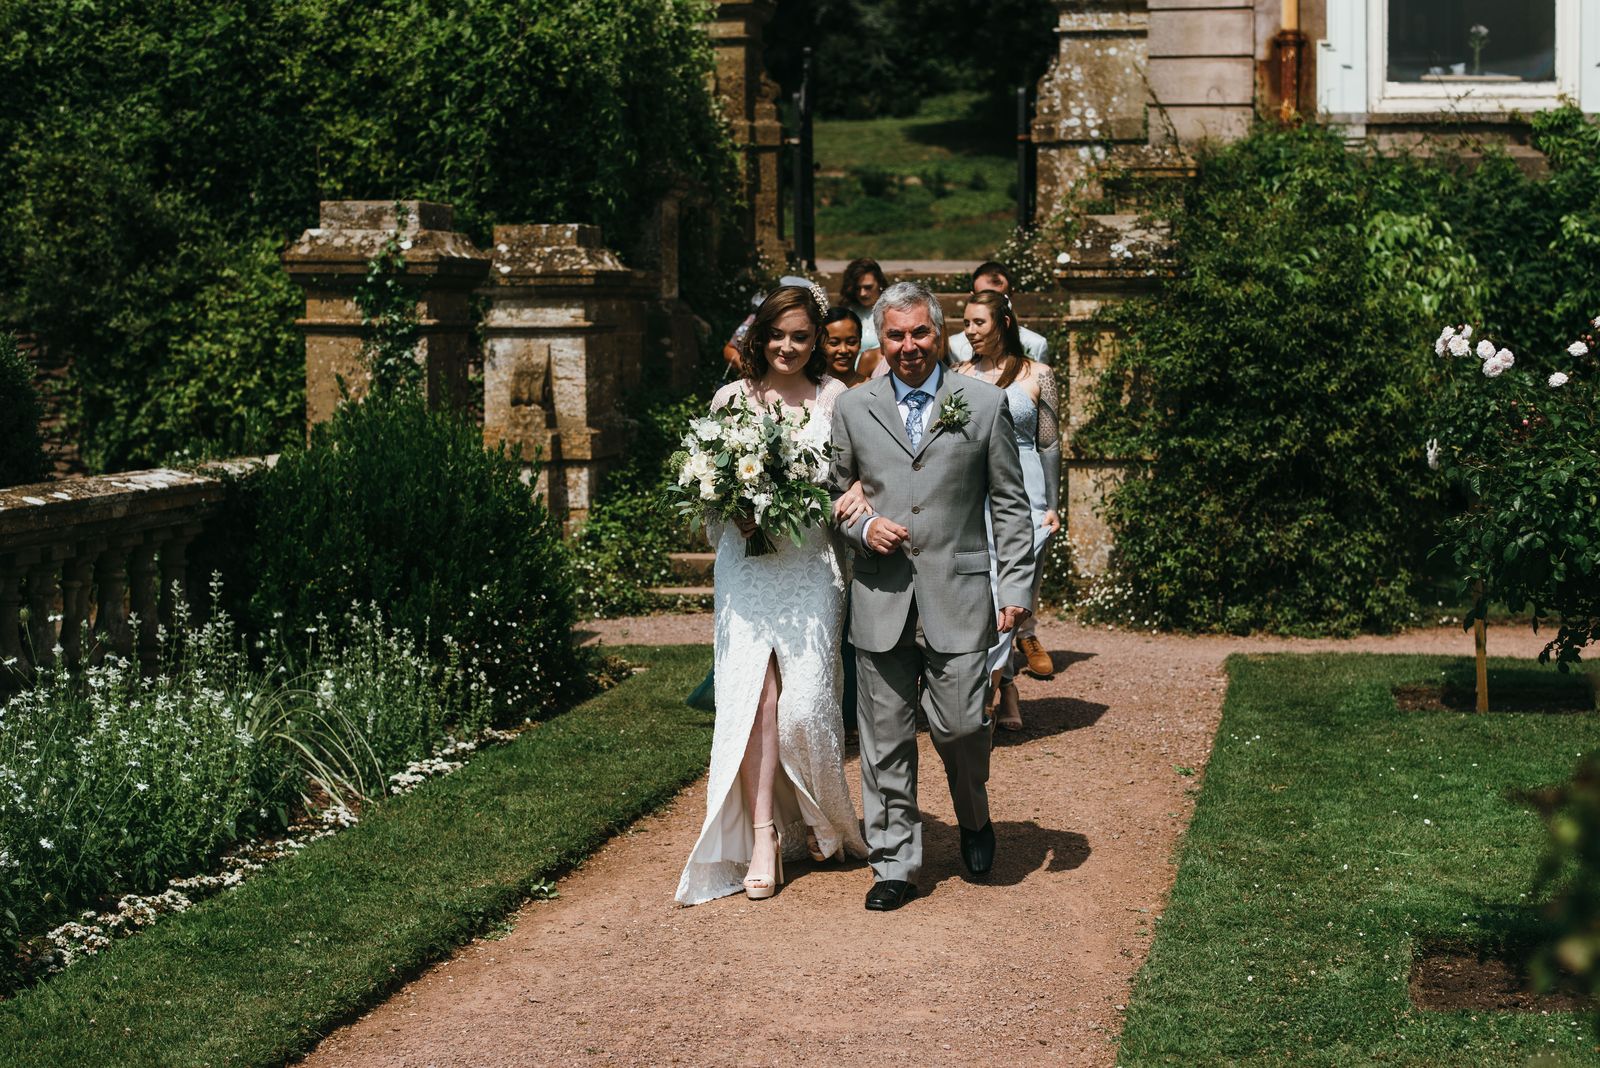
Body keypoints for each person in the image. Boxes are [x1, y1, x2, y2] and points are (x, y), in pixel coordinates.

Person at [828, 281, 1035, 912]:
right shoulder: (854, 409)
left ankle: (974, 816)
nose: (909, 346)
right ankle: (895, 861)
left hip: (961, 591)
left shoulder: (981, 402)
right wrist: (862, 526)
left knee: (963, 725)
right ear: (880, 339)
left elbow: (1008, 502)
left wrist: (1018, 587)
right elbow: (832, 499)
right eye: (895, 334)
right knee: (883, 734)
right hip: (881, 594)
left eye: (920, 333)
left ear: (936, 333)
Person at [676, 285, 868, 906]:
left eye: (802, 337)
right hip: (749, 569)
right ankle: (762, 833)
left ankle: (819, 812)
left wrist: (859, 494)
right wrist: (733, 511)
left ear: (817, 343)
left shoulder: (837, 399)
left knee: (806, 706)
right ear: (760, 336)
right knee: (755, 701)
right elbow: (708, 491)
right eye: (779, 335)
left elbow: (855, 478)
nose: (788, 347)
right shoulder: (732, 399)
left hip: (810, 566)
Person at [952, 291, 1060, 730]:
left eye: (979, 322)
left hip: (1028, 490)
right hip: (976, 493)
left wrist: (1053, 505)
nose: (970, 331)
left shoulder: (1040, 375)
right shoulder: (958, 375)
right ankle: (998, 690)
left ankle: (985, 693)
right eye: (966, 323)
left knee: (1010, 595)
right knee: (985, 592)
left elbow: (1049, 443)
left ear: (1005, 323)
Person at [945, 261, 1051, 365]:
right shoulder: (955, 346)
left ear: (1011, 293)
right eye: (985, 297)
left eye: (1000, 297)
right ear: (973, 297)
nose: (993, 304)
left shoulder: (1035, 344)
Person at [839, 257, 887, 357]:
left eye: (868, 287)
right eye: (857, 288)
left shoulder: (890, 311)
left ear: (879, 284)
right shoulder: (848, 312)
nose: (862, 293)